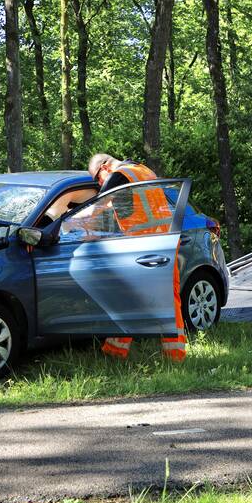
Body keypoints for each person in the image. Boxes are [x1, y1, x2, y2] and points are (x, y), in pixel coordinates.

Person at [86, 153, 187, 362]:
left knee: (128, 296)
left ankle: (115, 352)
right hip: (166, 240)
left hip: (142, 244)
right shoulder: (144, 170)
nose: (99, 183)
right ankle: (175, 355)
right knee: (167, 297)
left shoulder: (119, 175)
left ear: (104, 167)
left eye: (97, 178)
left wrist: (71, 222)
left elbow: (96, 208)